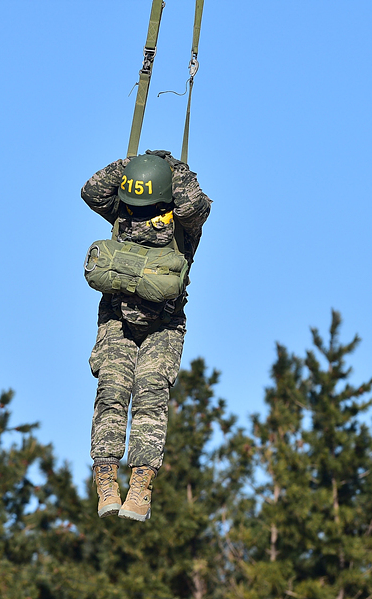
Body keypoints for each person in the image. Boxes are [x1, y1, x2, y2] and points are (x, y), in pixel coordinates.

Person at [81, 149, 212, 521]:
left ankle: (140, 485)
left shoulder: (184, 225)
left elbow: (194, 207)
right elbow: (91, 191)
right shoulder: (123, 210)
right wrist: (130, 167)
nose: (140, 216)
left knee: (151, 394)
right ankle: (106, 478)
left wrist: (172, 170)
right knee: (112, 390)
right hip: (116, 318)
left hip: (164, 324)